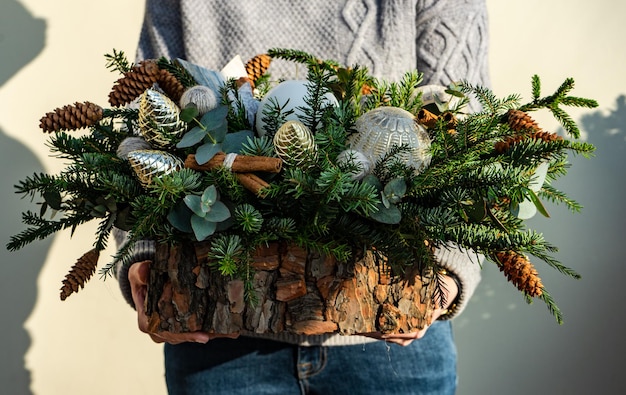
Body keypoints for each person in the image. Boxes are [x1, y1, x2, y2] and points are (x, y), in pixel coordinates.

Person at [116, 1, 489, 394]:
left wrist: (447, 270)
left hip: (391, 343)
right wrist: (144, 255)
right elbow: (145, 114)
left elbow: (468, 123)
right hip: (219, 333)